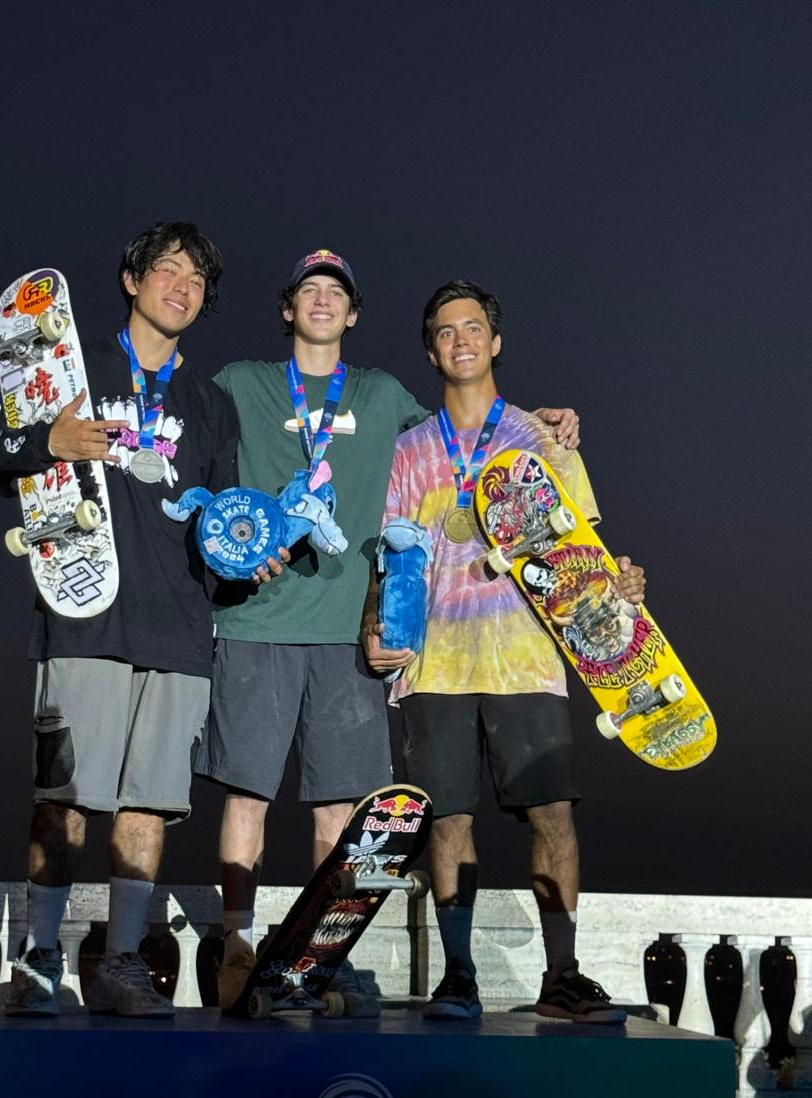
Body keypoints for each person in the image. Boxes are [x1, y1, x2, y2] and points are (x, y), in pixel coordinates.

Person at [201, 250, 580, 1013]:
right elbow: (180, 437)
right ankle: (236, 944)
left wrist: (544, 419)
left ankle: (317, 962)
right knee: (247, 795)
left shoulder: (383, 397)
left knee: (342, 812)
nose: (320, 301)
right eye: (307, 289)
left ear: (354, 314)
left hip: (354, 636)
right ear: (286, 307)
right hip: (262, 622)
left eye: (335, 292)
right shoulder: (240, 382)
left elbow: (469, 426)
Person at [0, 222, 240, 1017]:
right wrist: (46, 437)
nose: (182, 285)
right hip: (86, 616)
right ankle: (37, 958)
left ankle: (122, 963)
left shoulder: (210, 403)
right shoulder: (69, 364)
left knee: (147, 806)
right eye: (166, 269)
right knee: (63, 797)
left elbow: (223, 516)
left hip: (178, 631)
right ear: (131, 281)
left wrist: (248, 548)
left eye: (196, 278)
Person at [363, 279, 645, 1023]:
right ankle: (458, 975)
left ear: (495, 342)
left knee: (552, 812)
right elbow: (391, 556)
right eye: (445, 331)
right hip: (435, 663)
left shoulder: (542, 438)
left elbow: (584, 549)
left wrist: (623, 585)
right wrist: (375, 627)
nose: (461, 340)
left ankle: (562, 975)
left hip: (527, 655)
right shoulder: (410, 450)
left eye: (474, 327)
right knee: (447, 820)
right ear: (431, 351)